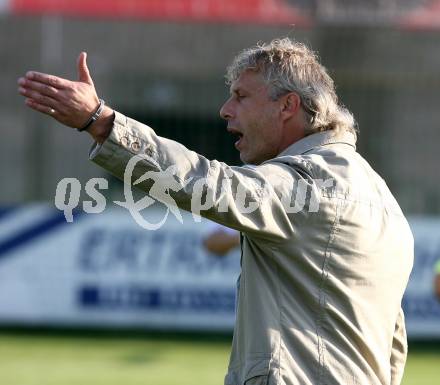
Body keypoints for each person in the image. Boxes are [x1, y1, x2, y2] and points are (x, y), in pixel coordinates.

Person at [17, 38, 414, 385]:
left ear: (288, 106)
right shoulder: (383, 201)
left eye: (241, 96)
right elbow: (392, 344)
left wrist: (102, 123)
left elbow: (210, 184)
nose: (225, 110)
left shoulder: (307, 181)